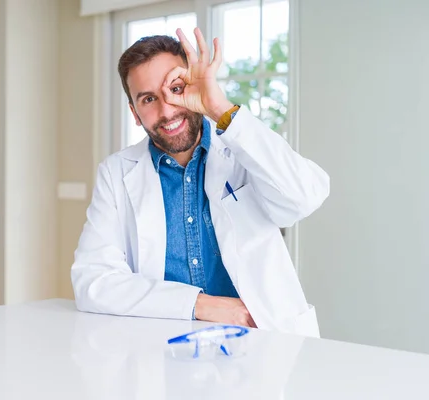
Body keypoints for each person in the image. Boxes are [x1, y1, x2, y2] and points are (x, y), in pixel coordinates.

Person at [71, 28, 329, 337]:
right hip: (164, 348)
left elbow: (305, 197)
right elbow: (94, 281)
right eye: (149, 99)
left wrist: (221, 109)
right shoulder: (115, 173)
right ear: (135, 113)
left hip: (263, 342)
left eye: (176, 88)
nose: (166, 110)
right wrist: (200, 305)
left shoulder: (241, 147)